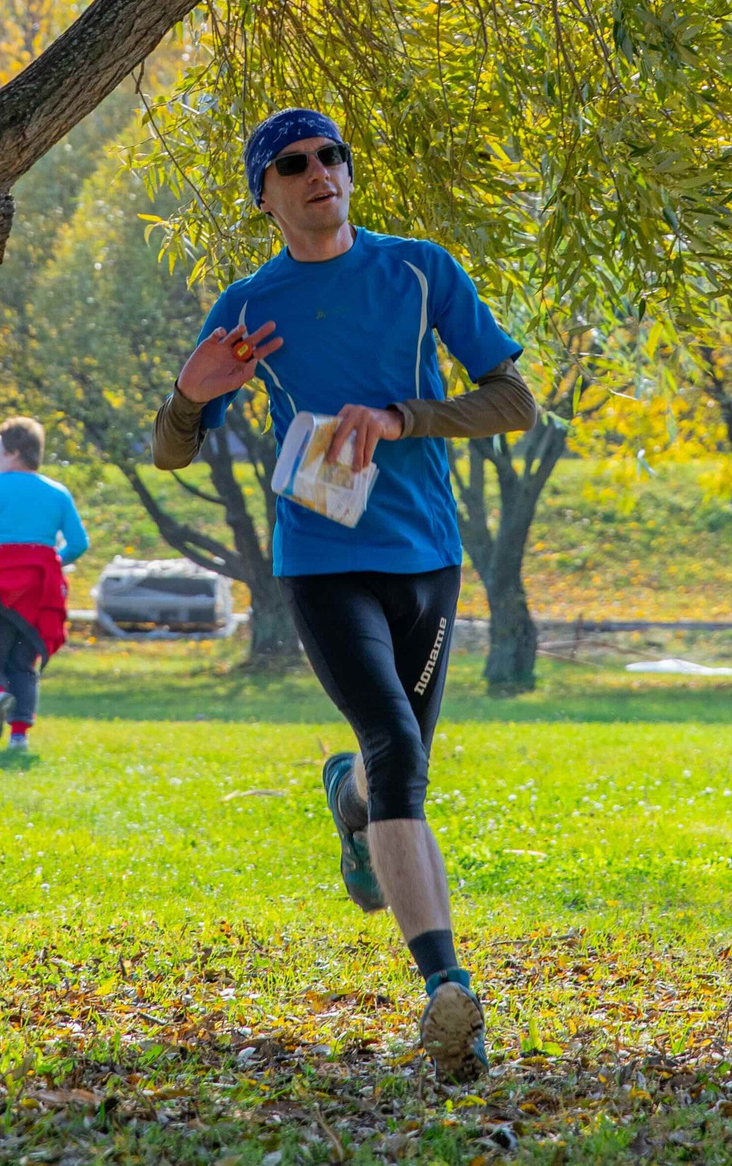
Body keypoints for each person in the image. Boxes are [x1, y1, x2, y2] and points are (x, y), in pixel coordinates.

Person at [150, 108, 536, 1083]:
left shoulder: (419, 272)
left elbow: (513, 402)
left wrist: (403, 415)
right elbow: (170, 446)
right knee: (399, 750)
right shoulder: (253, 305)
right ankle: (447, 993)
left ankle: (347, 797)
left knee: (393, 766)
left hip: (427, 557)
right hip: (319, 560)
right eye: (294, 163)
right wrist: (191, 397)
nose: (320, 171)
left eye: (332, 156)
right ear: (266, 194)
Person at [0, 416, 89, 752]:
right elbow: (79, 543)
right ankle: (19, 737)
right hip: (39, 589)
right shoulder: (58, 492)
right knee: (24, 664)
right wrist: (54, 561)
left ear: (12, 452)